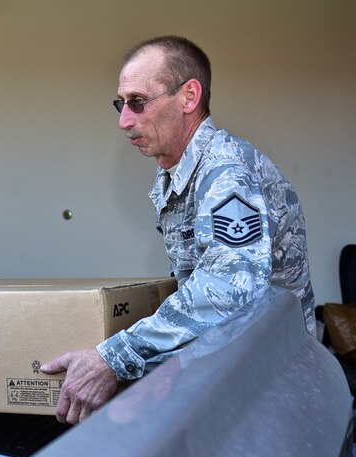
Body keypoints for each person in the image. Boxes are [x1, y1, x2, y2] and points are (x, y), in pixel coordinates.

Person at [41, 35, 314, 424]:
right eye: (121, 104)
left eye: (138, 102)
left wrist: (115, 357)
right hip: (236, 373)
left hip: (268, 387)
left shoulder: (225, 172)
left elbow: (228, 290)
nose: (123, 121)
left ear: (188, 97)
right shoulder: (180, 172)